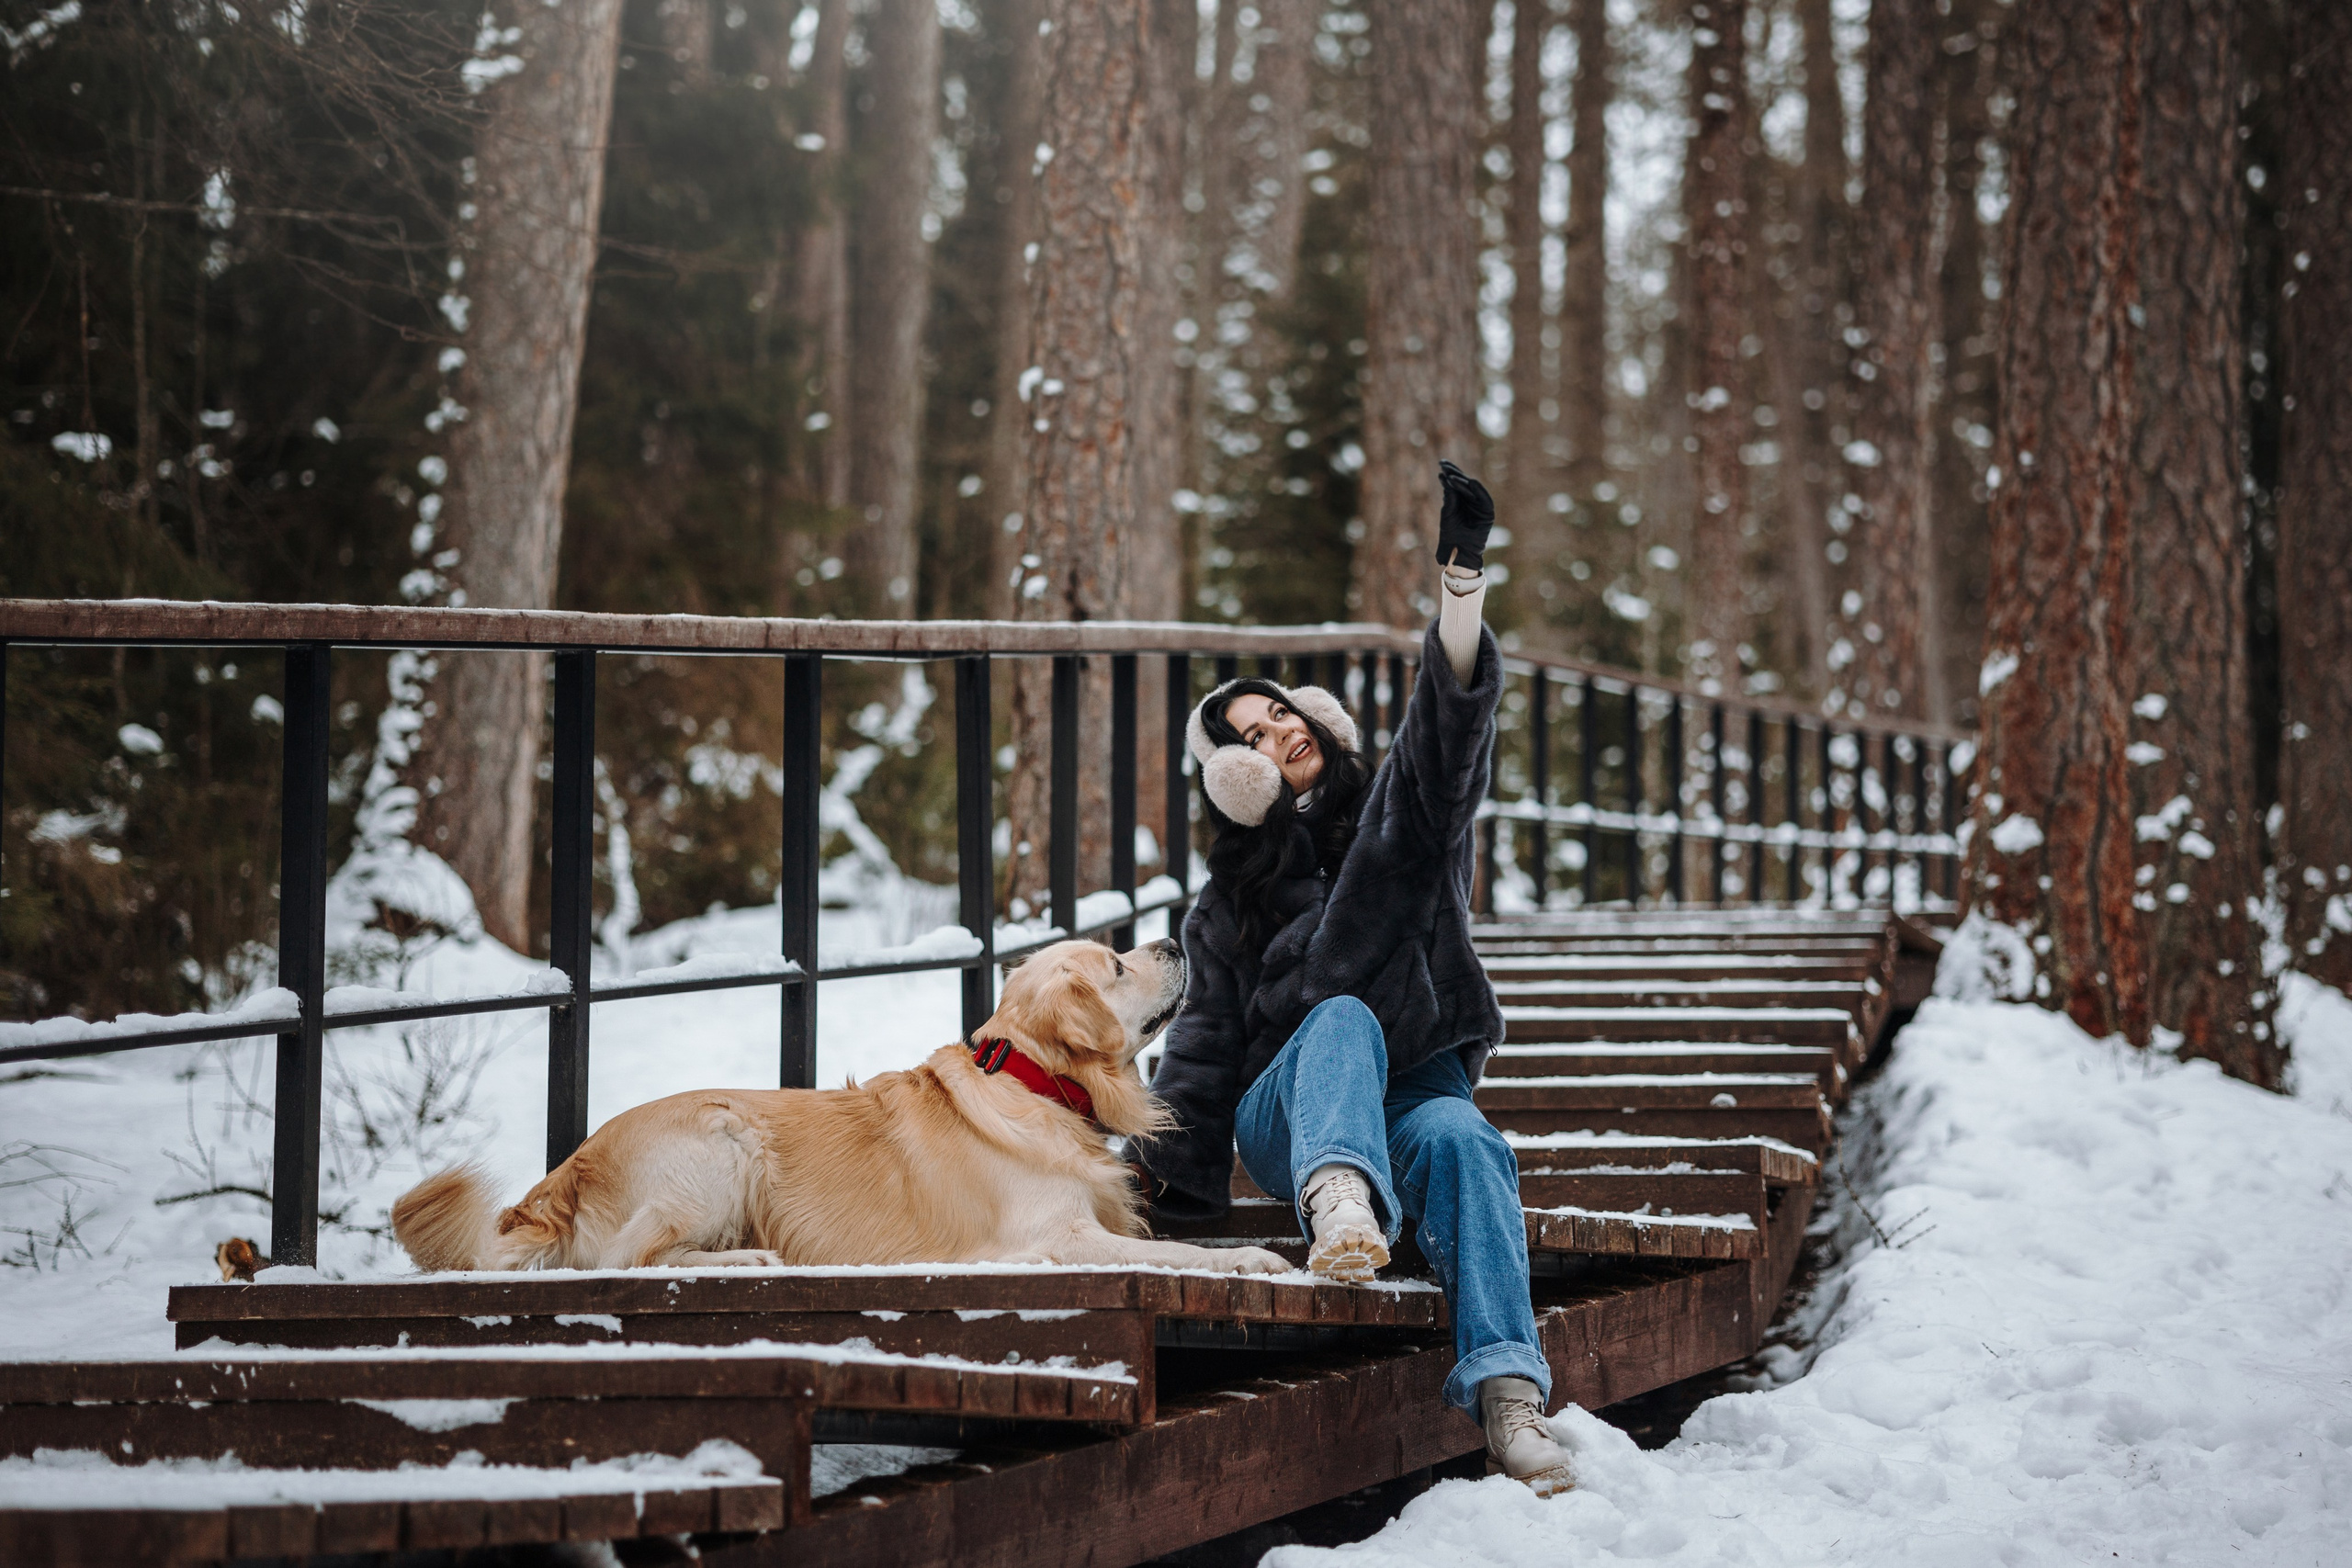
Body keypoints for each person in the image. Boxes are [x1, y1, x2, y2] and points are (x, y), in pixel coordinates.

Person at [1134, 461, 1575, 1495]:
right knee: (1334, 1017)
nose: (1275, 734)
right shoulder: (1227, 903)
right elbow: (1197, 1051)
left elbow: (1444, 743)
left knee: (1466, 1138)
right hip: (1284, 1114)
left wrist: (1460, 584)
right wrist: (1144, 1172)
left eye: (1279, 715)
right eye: (1247, 740)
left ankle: (1510, 1397)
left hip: (1415, 1091)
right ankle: (1341, 1199)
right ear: (1233, 782)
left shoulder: (1401, 827)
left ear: (1312, 718)